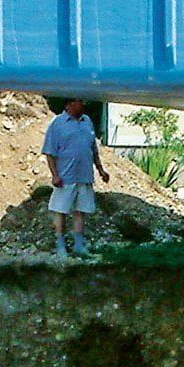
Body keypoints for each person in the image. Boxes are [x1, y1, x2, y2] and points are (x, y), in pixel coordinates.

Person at [43, 98, 111, 257]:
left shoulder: (87, 121)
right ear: (69, 104)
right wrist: (54, 175)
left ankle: (78, 246)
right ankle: (60, 246)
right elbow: (50, 152)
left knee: (80, 211)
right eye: (80, 101)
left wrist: (101, 170)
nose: (83, 104)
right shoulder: (57, 124)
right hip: (65, 177)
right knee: (60, 211)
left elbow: (93, 149)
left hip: (84, 176)